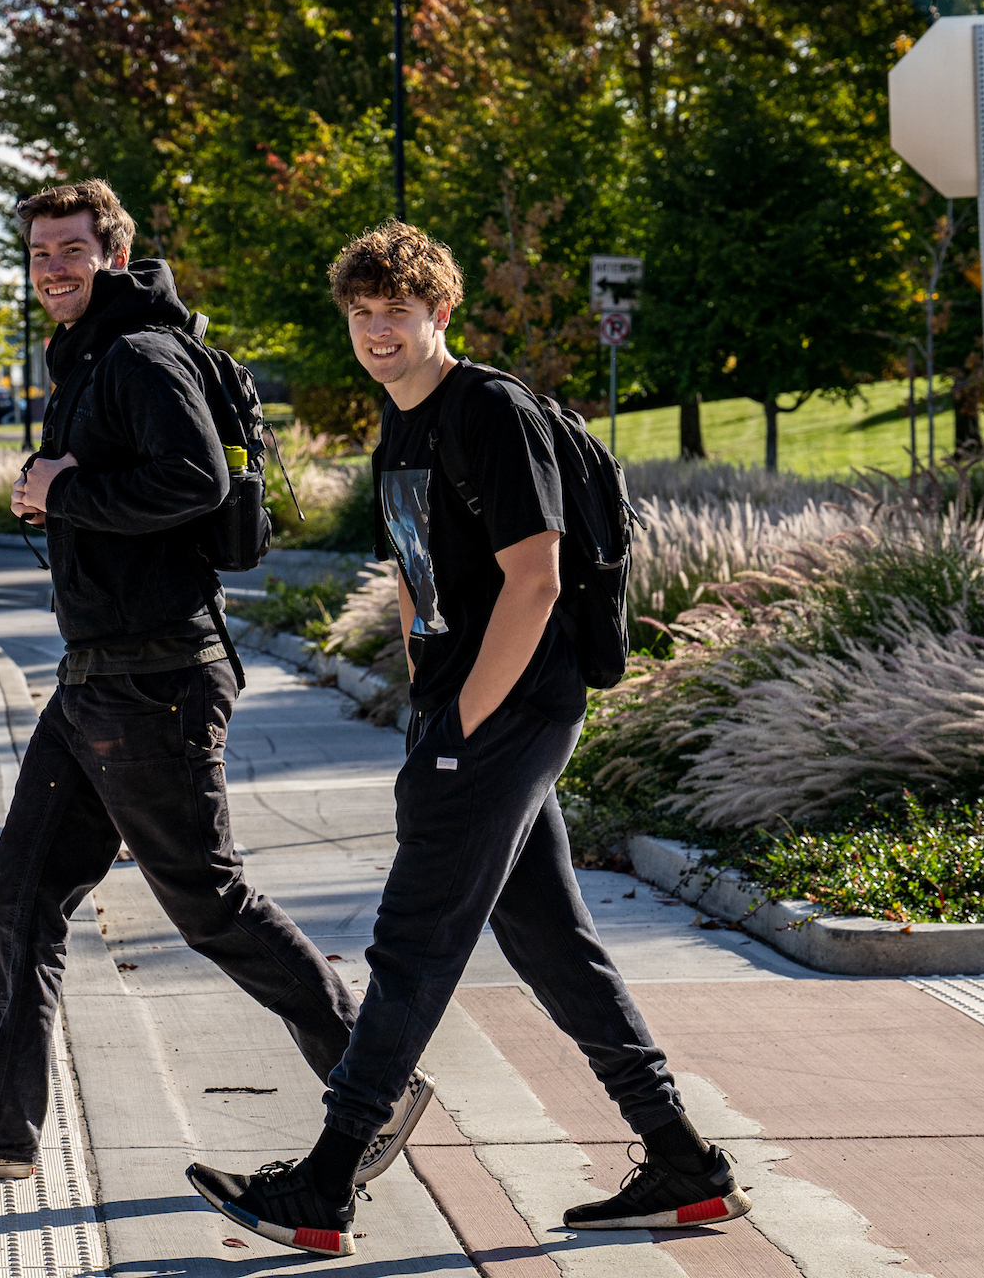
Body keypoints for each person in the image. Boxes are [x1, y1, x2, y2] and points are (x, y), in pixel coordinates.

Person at [186, 221, 751, 1256]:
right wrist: (423, 694)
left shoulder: (486, 410)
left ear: (441, 311)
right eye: (361, 314)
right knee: (554, 948)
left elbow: (535, 577)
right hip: (460, 713)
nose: (376, 331)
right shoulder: (397, 425)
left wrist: (465, 726)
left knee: (411, 947)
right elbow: (416, 573)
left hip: (512, 711)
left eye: (396, 311)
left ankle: (325, 1181)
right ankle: (684, 1162)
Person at [0, 181, 431, 1184]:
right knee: (22, 897)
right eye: (40, 251)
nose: (53, 266)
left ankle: (373, 1086)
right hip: (98, 675)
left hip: (155, 676)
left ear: (112, 256)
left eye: (72, 249)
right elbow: (127, 489)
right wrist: (50, 497)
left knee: (207, 901)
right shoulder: (89, 353)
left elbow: (193, 482)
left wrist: (67, 487)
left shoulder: (137, 352)